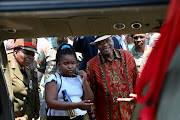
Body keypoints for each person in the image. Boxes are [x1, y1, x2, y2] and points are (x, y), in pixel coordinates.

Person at [133, 0, 180, 119]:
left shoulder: (157, 54)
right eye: (135, 37)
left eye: (141, 37)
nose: (138, 40)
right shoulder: (129, 55)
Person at [83, 35, 138, 120]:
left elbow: (136, 81)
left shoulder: (127, 56)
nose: (105, 45)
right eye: (100, 43)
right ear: (97, 46)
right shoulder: (92, 65)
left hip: (131, 113)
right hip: (106, 116)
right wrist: (92, 116)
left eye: (107, 41)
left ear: (113, 40)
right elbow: (91, 94)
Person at [42, 43, 94, 120]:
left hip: (79, 117)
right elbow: (51, 103)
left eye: (73, 63)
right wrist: (76, 105)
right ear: (59, 65)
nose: (70, 66)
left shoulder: (79, 79)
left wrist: (85, 81)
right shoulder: (54, 79)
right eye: (66, 64)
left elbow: (89, 100)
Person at [8, 38, 40, 120]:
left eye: (32, 54)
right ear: (16, 52)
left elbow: (30, 95)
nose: (30, 57)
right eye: (27, 53)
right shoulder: (6, 67)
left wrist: (26, 116)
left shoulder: (29, 67)